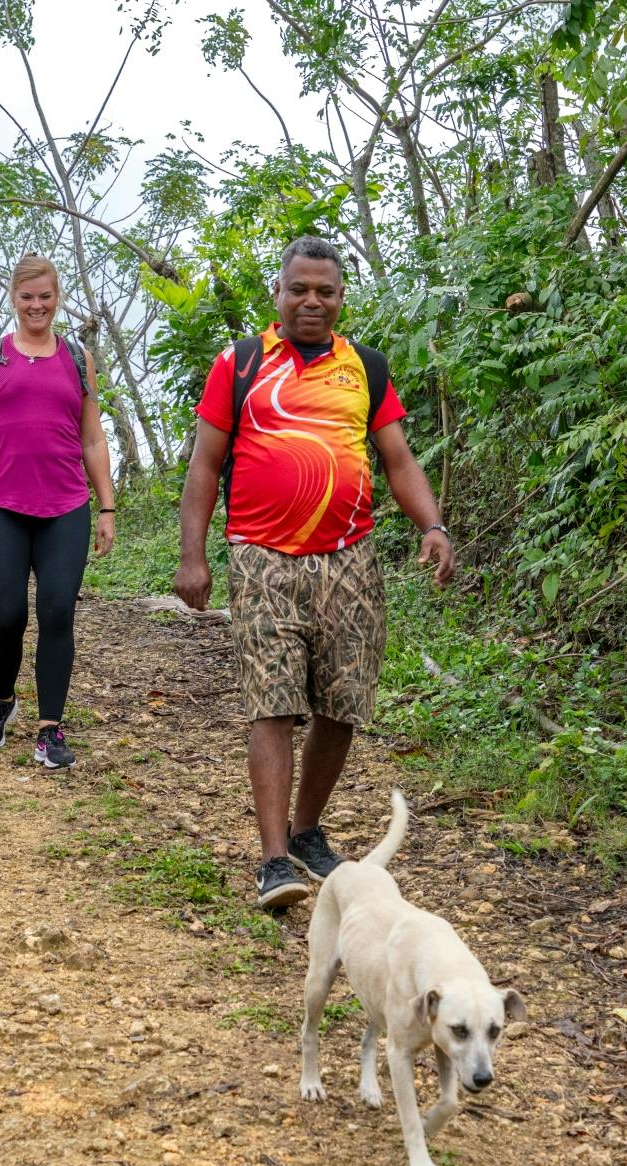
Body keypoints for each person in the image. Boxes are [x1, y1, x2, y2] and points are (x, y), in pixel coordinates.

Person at [176, 235, 456, 911]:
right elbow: (205, 467)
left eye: (324, 291)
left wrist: (433, 525)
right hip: (262, 556)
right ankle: (274, 859)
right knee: (271, 702)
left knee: (342, 703)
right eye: (298, 289)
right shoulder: (240, 363)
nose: (311, 301)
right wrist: (193, 555)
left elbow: (398, 460)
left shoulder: (366, 367)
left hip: (350, 559)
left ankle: (306, 831)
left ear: (340, 298)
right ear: (277, 292)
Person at [0, 252, 117, 770]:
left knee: (58, 612)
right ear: (14, 299)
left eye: (45, 296)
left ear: (57, 297)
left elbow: (92, 437)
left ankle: (50, 728)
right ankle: (3, 699)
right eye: (27, 297)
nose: (37, 306)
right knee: (6, 616)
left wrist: (106, 506)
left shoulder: (77, 358)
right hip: (0, 504)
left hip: (65, 506)